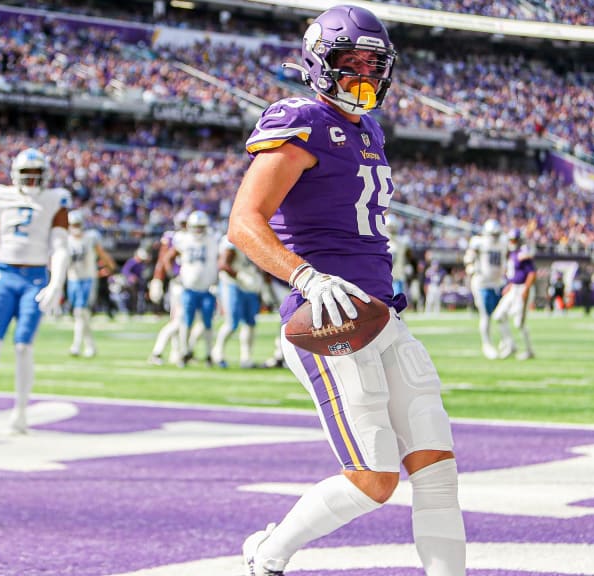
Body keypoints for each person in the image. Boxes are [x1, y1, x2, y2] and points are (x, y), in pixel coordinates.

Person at [227, 6, 465, 575]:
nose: (362, 75)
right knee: (374, 478)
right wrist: (305, 275)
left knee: (437, 467)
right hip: (330, 316)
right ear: (318, 62)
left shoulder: (370, 127)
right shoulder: (300, 118)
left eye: (372, 64)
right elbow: (244, 221)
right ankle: (269, 553)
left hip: (383, 313)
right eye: (349, 63)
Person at [0, 148, 70, 435]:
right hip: (3, 275)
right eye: (27, 175)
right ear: (15, 176)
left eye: (37, 175)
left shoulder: (54, 199)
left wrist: (56, 282)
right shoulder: (0, 196)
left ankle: (21, 412)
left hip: (34, 277)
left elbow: (60, 246)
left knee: (23, 346)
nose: (32, 181)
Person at [155, 210, 220, 368]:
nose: (198, 230)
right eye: (195, 227)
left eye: (201, 227)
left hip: (207, 289)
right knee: (185, 322)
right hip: (188, 288)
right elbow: (167, 258)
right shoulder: (182, 239)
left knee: (207, 323)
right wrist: (174, 275)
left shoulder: (213, 239)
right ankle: (183, 353)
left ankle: (209, 354)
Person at [66, 209, 117, 358]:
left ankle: (76, 346)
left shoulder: (90, 237)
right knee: (81, 315)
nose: (75, 227)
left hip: (88, 278)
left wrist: (110, 267)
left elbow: (102, 254)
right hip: (72, 278)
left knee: (80, 312)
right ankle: (90, 346)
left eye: (77, 224)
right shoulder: (67, 240)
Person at [212, 236, 265, 369]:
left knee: (250, 322)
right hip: (233, 284)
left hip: (250, 285)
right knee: (232, 323)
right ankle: (217, 352)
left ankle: (246, 358)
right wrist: (240, 276)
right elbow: (223, 264)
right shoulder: (232, 239)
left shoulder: (256, 236)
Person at [147, 211, 189, 366]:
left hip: (192, 284)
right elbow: (164, 259)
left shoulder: (194, 238)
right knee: (178, 321)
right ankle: (161, 352)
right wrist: (158, 279)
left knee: (186, 322)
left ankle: (179, 352)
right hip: (179, 283)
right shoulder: (174, 238)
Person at [492, 228, 537, 360]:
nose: (512, 242)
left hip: (522, 288)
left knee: (519, 323)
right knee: (498, 315)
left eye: (514, 239)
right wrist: (510, 285)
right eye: (511, 239)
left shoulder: (523, 254)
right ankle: (510, 344)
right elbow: (515, 274)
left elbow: (532, 273)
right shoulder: (512, 254)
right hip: (514, 288)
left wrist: (526, 290)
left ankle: (529, 350)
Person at [464, 219, 505, 358]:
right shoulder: (479, 243)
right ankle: (487, 345)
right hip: (483, 284)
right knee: (486, 316)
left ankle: (506, 342)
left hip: (498, 283)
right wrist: (471, 268)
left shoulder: (503, 242)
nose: (495, 237)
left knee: (502, 315)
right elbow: (469, 258)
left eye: (496, 234)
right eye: (492, 234)